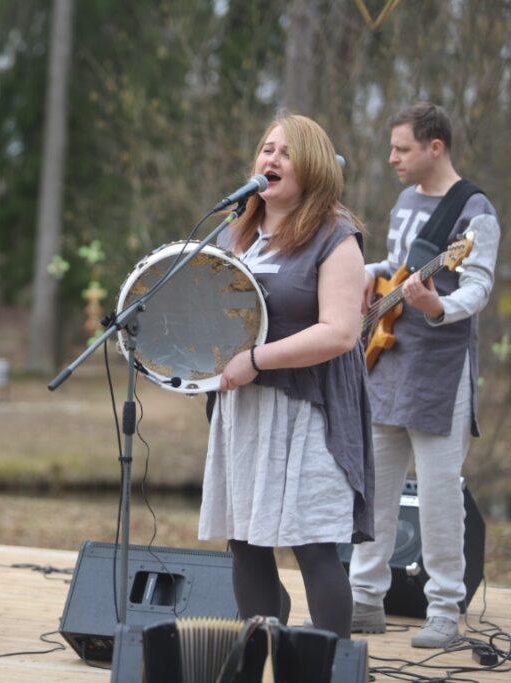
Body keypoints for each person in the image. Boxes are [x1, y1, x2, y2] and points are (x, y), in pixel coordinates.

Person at [198, 114, 373, 639]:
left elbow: (340, 333)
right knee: (246, 542)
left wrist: (255, 360)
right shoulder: (239, 232)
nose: (269, 160)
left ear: (313, 165)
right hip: (245, 410)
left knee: (314, 546)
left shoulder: (335, 236)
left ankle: (333, 667)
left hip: (310, 406)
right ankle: (259, 660)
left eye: (285, 153)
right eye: (265, 149)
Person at [348, 103, 500, 648]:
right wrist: (369, 274)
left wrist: (439, 307)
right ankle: (365, 598)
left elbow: (478, 287)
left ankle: (443, 609)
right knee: (373, 487)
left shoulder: (475, 211)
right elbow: (397, 266)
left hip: (441, 372)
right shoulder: (405, 200)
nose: (392, 158)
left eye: (402, 149)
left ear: (435, 147)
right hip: (388, 358)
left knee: (439, 496)